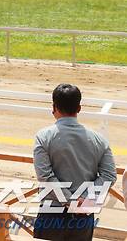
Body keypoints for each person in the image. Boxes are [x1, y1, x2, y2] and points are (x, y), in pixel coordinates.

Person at [33, 84, 116, 241]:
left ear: (54, 107)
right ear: (79, 108)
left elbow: (45, 176)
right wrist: (84, 198)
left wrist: (70, 201)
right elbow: (109, 175)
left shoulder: (43, 137)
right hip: (83, 215)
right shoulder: (100, 140)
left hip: (52, 212)